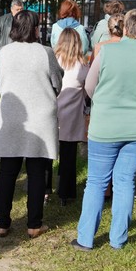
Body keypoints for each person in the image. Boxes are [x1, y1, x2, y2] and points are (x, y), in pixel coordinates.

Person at [72, 9, 136, 251]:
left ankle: (85, 238)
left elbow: (90, 86)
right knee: (125, 181)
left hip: (106, 125)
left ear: (126, 28)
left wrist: (103, 101)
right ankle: (118, 239)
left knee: (96, 181)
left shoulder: (107, 51)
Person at [0, 10, 63, 238]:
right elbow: (57, 82)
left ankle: (2, 223)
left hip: (12, 116)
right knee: (36, 172)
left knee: (7, 172)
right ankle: (34, 224)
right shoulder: (45, 52)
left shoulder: (4, 52)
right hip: (40, 116)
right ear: (34, 28)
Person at [54, 28, 90, 205]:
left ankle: (44, 190)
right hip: (72, 116)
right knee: (69, 156)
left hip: (53, 113)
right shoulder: (82, 66)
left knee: (46, 156)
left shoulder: (53, 61)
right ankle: (66, 192)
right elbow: (88, 89)